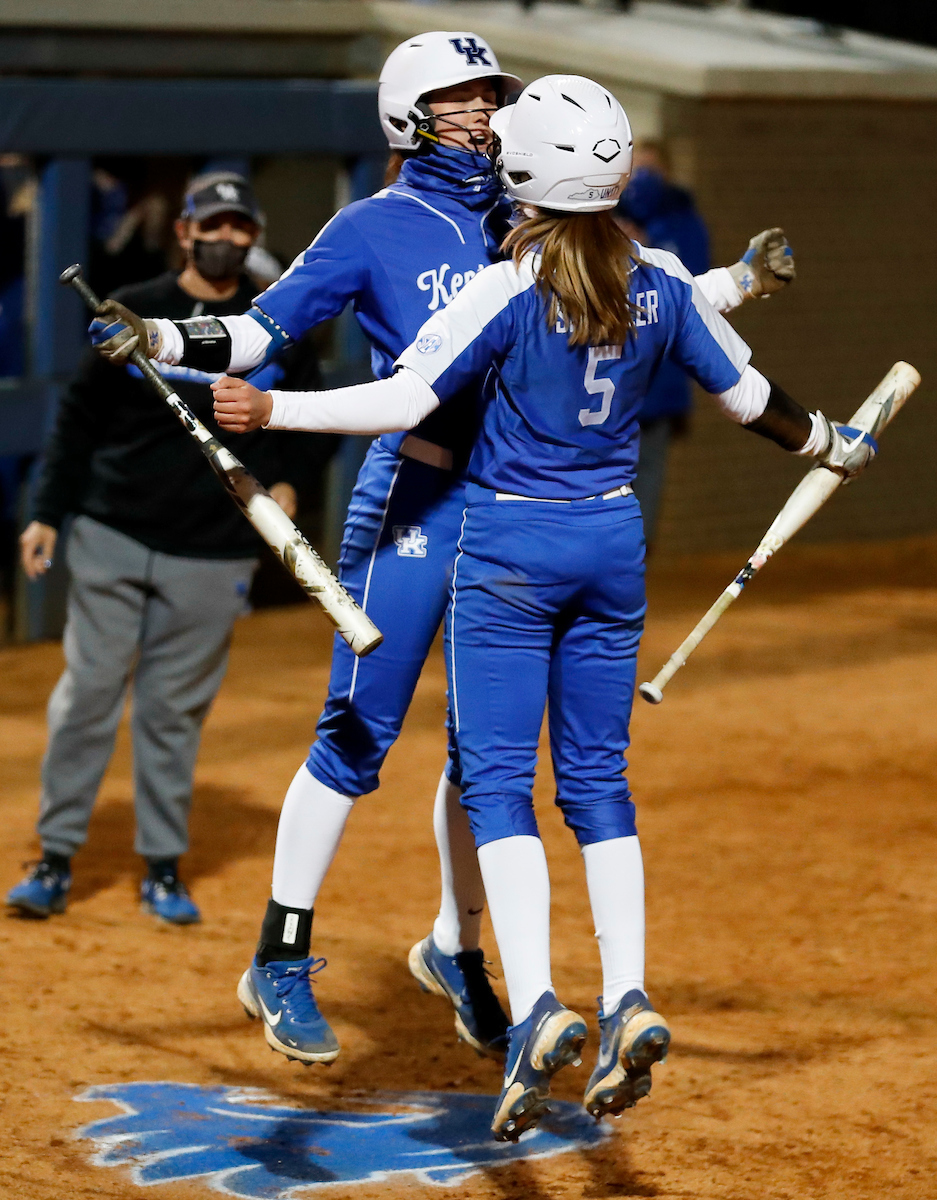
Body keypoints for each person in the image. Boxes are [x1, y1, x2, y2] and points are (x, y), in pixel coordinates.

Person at [88, 34, 793, 1067]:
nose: (481, 117)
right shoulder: (372, 226)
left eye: (486, 100)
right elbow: (258, 330)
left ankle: (456, 947)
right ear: (407, 120)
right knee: (359, 733)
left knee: (484, 755)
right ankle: (279, 954)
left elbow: (652, 292)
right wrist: (160, 338)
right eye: (457, 103)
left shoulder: (531, 211)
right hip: (417, 492)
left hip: (517, 509)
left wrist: (739, 280)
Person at [208, 76, 876, 1139]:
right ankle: (628, 996)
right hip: (616, 545)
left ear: (519, 172)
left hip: (510, 548)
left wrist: (274, 407)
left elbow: (404, 399)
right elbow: (752, 402)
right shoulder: (653, 277)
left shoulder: (507, 287)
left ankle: (532, 1011)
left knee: (497, 782)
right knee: (602, 786)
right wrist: (833, 442)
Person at [6, 172, 327, 925]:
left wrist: (287, 486)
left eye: (239, 228)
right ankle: (54, 857)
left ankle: (161, 868)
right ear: (184, 231)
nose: (225, 239)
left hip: (213, 551)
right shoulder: (135, 311)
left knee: (172, 713)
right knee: (86, 697)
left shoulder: (274, 324)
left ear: (252, 236)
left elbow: (302, 420)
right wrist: (46, 513)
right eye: (210, 225)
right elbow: (77, 421)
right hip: (113, 531)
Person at [617, 140, 795, 544]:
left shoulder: (680, 222)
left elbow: (681, 299)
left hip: (659, 381)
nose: (638, 182)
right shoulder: (600, 221)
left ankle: (627, 568)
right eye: (634, 171)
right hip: (610, 381)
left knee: (644, 487)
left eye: (648, 172)